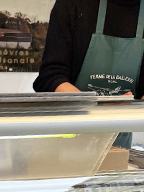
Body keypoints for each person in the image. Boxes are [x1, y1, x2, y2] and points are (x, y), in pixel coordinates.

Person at [33, 0, 144, 148]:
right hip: (65, 138)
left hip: (118, 144)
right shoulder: (72, 4)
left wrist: (132, 108)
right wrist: (95, 110)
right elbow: (50, 76)